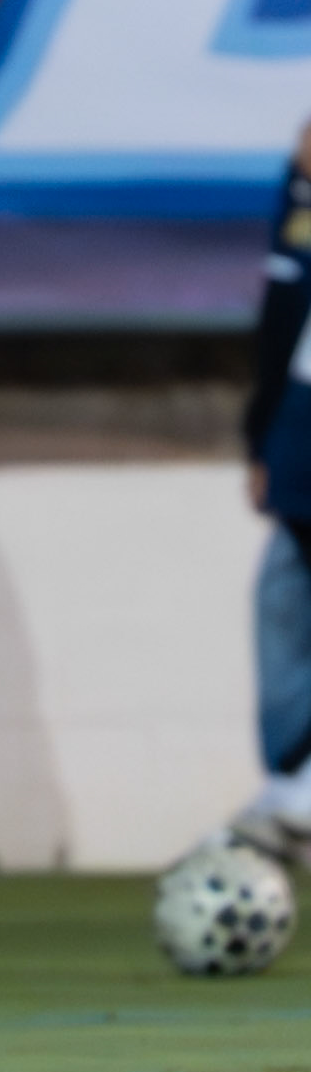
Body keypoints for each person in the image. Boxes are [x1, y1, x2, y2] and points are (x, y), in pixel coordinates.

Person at [234, 118, 311, 857]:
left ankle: (299, 786)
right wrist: (265, 437)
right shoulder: (299, 208)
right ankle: (292, 781)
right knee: (282, 606)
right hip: (300, 437)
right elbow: (281, 324)